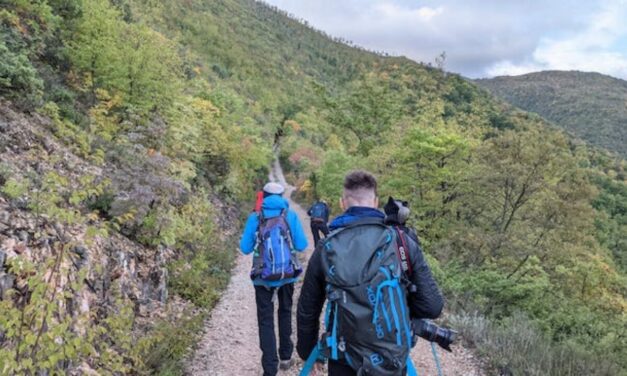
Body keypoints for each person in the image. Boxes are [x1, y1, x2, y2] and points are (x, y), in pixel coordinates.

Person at [296, 170, 444, 376]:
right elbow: (433, 306)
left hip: (343, 358)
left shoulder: (327, 247)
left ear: (342, 203)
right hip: (391, 359)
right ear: (375, 202)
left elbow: (307, 309)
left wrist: (308, 353)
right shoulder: (401, 241)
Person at [240, 182, 309, 376]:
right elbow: (302, 245)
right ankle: (286, 356)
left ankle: (270, 368)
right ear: (281, 195)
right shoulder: (289, 215)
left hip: (263, 277)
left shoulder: (256, 216)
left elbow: (245, 248)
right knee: (286, 312)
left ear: (264, 195)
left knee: (265, 320)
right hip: (287, 276)